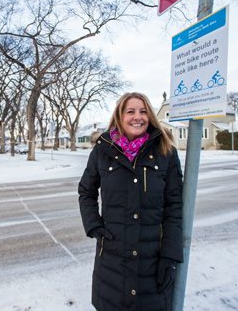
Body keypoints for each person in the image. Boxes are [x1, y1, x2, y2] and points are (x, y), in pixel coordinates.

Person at [78, 92, 183, 311]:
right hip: (112, 260)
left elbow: (175, 207)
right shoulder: (102, 150)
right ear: (119, 116)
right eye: (131, 111)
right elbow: (86, 191)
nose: (138, 117)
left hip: (153, 262)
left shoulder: (166, 152)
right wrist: (94, 225)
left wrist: (170, 255)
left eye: (143, 111)